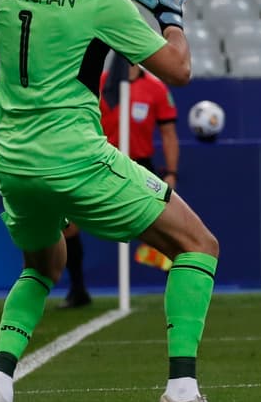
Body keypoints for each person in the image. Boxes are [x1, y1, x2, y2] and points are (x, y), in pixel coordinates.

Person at [0, 0, 247, 402]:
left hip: (13, 159)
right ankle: (182, 394)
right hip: (74, 156)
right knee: (200, 245)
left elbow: (68, 26)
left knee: (42, 266)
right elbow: (177, 70)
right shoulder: (99, 2)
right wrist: (170, 16)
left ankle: (0, 384)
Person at [61, 55, 181, 307]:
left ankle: (178, 283)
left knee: (166, 228)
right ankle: (78, 290)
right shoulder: (101, 84)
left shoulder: (156, 88)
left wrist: (171, 172)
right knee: (68, 225)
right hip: (100, 165)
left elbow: (168, 134)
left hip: (140, 166)